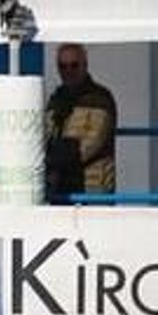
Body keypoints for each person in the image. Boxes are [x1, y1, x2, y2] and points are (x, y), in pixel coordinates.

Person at [44, 43, 117, 204]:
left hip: (92, 186)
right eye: (62, 66)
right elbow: (47, 131)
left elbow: (93, 141)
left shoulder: (100, 98)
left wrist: (53, 160)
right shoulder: (57, 98)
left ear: (85, 65)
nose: (68, 71)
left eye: (74, 65)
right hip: (61, 186)